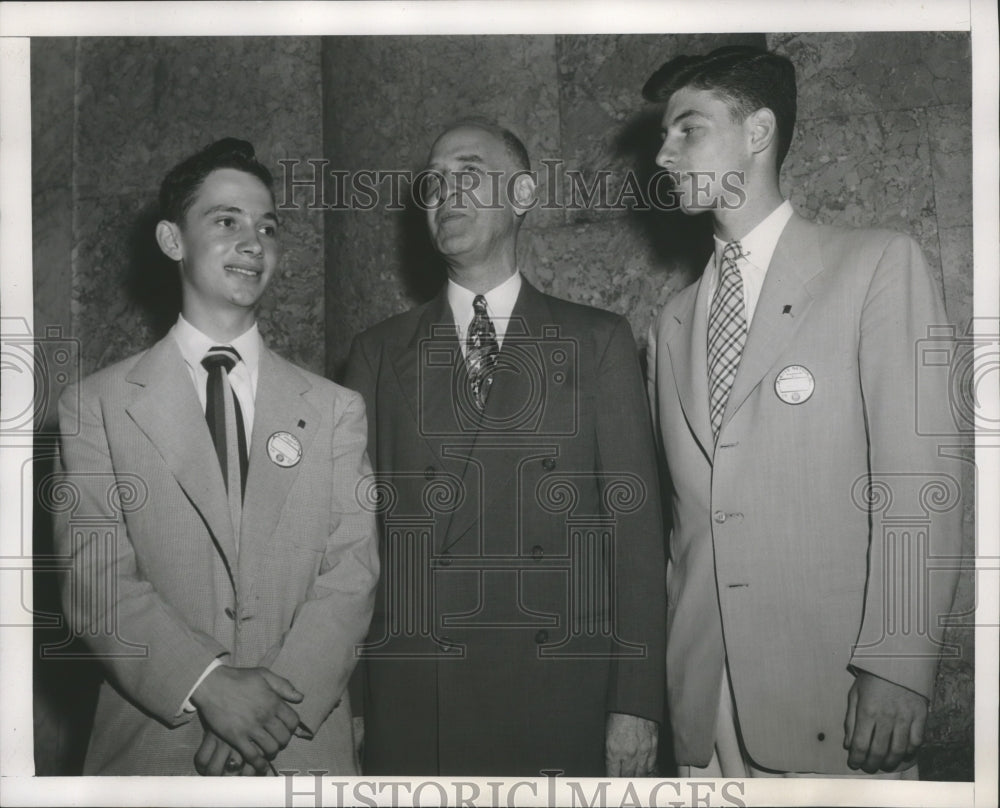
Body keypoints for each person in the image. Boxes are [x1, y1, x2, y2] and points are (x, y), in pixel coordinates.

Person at [643, 46, 962, 777]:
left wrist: (899, 664)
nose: (663, 153)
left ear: (757, 133)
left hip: (837, 695)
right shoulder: (672, 322)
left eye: (687, 129)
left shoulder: (876, 265)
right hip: (703, 705)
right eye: (664, 135)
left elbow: (921, 479)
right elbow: (685, 523)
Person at [343, 119, 666, 776]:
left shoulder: (598, 341)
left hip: (561, 692)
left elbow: (635, 538)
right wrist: (349, 699)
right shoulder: (378, 352)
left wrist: (636, 702)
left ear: (522, 194)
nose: (445, 193)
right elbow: (350, 539)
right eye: (433, 183)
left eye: (468, 173)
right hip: (417, 696)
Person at [54, 138, 379, 776]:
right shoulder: (97, 406)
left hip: (300, 749)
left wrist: (265, 714)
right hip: (154, 750)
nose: (253, 242)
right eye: (226, 221)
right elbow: (96, 583)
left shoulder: (336, 408)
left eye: (267, 227)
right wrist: (209, 687)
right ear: (173, 240)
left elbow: (352, 575)